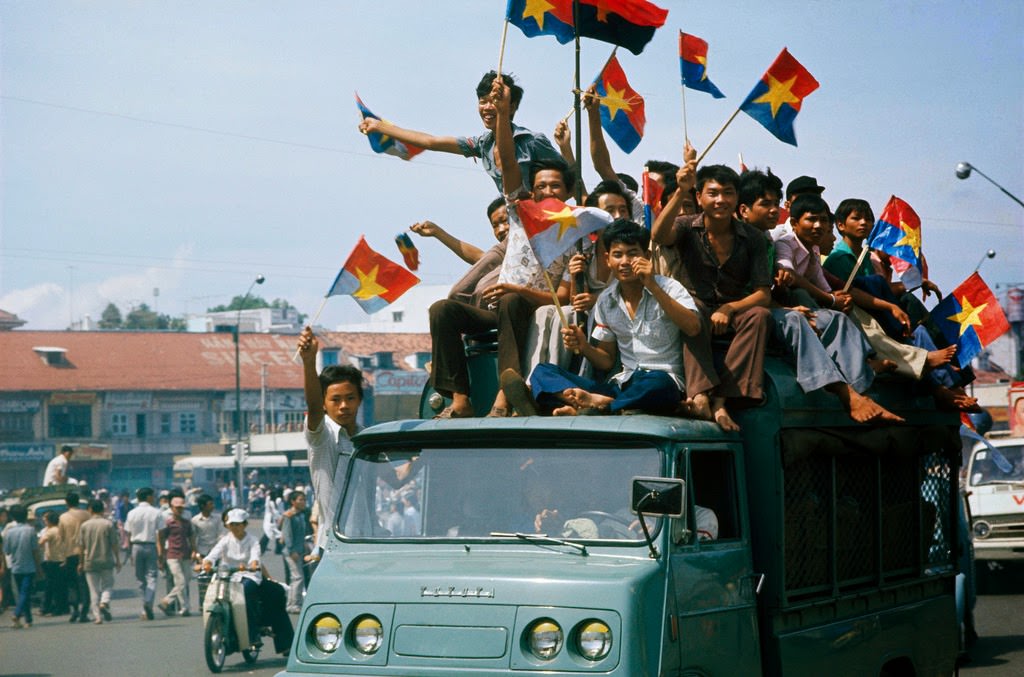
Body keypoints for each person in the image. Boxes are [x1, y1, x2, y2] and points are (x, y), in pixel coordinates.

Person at [517, 220, 702, 417]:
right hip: (623, 384)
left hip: (662, 381)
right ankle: (597, 405)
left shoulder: (670, 288)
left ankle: (596, 406)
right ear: (607, 259)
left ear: (647, 257)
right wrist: (584, 346)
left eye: (632, 254)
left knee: (658, 385)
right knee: (543, 372)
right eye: (617, 255)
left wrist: (653, 287)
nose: (624, 262)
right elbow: (606, 361)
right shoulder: (606, 300)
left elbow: (693, 327)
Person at [653, 164, 773, 432]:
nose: (721, 200)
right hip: (695, 306)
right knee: (692, 309)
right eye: (713, 193)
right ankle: (699, 394)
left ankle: (721, 400)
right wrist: (680, 190)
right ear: (699, 197)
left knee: (760, 316)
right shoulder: (686, 226)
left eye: (728, 193)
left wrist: (730, 308)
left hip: (733, 310)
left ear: (737, 197)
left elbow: (763, 293)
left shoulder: (753, 237)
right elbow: (659, 235)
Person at [765, 192, 903, 423]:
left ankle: (860, 391)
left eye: (823, 221)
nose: (818, 226)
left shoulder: (814, 250)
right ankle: (852, 395)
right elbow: (791, 276)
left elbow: (825, 287)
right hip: (780, 309)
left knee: (837, 317)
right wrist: (830, 300)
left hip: (800, 307)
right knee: (803, 298)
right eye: (811, 220)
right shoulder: (784, 244)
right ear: (795, 223)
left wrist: (837, 299)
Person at [357, 70, 561, 193]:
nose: (488, 107)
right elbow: (431, 142)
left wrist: (565, 147)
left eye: (495, 101)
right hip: (515, 224)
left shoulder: (532, 141)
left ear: (512, 106)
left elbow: (569, 179)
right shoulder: (482, 144)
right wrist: (381, 127)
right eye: (483, 101)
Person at [297, 331, 364, 555]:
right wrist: (308, 362)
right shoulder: (321, 435)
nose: (344, 405)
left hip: (368, 541)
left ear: (360, 400)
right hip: (333, 546)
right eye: (335, 399)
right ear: (325, 403)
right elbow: (313, 408)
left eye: (350, 398)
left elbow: (397, 479)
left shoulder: (367, 440)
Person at [202, 509, 294, 655]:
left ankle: (252, 633)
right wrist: (207, 562)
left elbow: (255, 555)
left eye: (238, 524)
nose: (235, 527)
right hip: (228, 576)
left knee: (247, 591)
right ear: (227, 526)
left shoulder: (253, 540)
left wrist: (253, 564)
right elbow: (214, 554)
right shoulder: (225, 540)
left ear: (245, 524)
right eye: (232, 524)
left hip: (250, 575)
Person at [77, 498, 121, 624]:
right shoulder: (108, 524)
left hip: (90, 561)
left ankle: (97, 617)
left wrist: (80, 563)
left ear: (90, 510)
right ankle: (105, 602)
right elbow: (114, 544)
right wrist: (118, 560)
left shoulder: (84, 525)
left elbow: (81, 546)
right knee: (108, 585)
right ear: (102, 509)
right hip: (106, 560)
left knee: (93, 590)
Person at [124, 486, 162, 620]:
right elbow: (160, 533)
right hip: (150, 546)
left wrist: (128, 552)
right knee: (152, 576)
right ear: (148, 497)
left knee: (140, 579)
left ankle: (144, 608)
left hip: (136, 546)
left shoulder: (132, 513)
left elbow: (127, 533)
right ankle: (148, 602)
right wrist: (161, 552)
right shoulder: (156, 512)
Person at [158, 495, 195, 617]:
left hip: (185, 553)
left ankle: (173, 603)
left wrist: (194, 550)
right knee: (180, 581)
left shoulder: (186, 523)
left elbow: (191, 537)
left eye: (181, 508)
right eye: (177, 508)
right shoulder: (168, 523)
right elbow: (161, 538)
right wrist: (161, 554)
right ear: (172, 508)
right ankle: (182, 606)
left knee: (186, 579)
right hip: (172, 554)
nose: (179, 510)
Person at [3, 505, 39, 629]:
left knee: (23, 593)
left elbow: (6, 551)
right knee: (25, 593)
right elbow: (35, 551)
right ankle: (17, 613)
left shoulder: (9, 532)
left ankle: (28, 619)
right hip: (29, 566)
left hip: (16, 566)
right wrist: (39, 567)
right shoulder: (31, 530)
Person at [59, 490, 91, 623]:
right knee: (85, 584)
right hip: (85, 553)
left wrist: (62, 557)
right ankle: (84, 612)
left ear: (67, 503)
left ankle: (75, 610)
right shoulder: (87, 515)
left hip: (70, 553)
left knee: (72, 584)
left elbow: (61, 537)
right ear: (78, 502)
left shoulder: (63, 517)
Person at [278, 490, 309, 614]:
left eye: (304, 499)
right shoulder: (289, 516)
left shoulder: (301, 515)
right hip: (292, 551)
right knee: (298, 577)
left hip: (300, 549)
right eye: (300, 500)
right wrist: (292, 550)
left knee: (295, 577)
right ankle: (294, 604)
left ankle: (292, 603)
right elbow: (287, 535)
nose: (303, 502)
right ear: (293, 501)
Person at [38, 510, 67, 616]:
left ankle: (57, 609)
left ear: (50, 521)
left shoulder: (50, 531)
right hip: (63, 559)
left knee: (54, 586)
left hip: (53, 561)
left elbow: (41, 543)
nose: (44, 522)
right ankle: (64, 607)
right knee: (62, 586)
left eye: (45, 520)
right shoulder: (61, 529)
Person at [191, 493, 224, 560]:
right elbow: (193, 538)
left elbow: (221, 534)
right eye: (210, 504)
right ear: (203, 506)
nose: (213, 506)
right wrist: (196, 552)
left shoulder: (217, 518)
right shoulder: (195, 520)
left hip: (216, 551)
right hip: (202, 551)